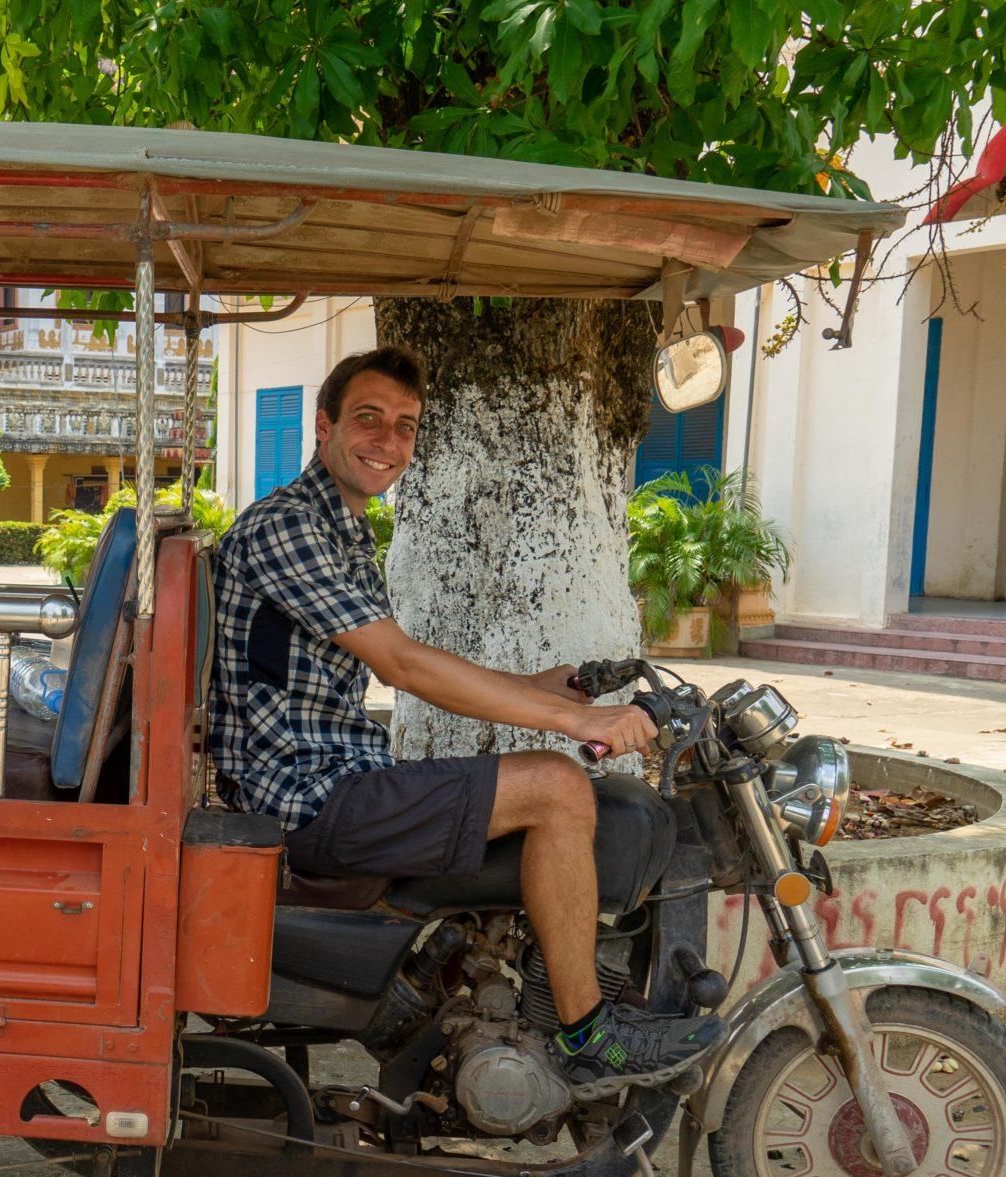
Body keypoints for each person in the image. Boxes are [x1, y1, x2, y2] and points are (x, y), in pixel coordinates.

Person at [209, 345, 721, 1094]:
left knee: (559, 790)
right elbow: (403, 665)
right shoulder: (286, 527)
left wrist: (544, 689)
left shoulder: (342, 527)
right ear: (323, 426)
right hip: (308, 800)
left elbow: (402, 656)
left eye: (405, 427)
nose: (388, 441)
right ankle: (587, 1037)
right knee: (556, 788)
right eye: (368, 419)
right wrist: (578, 724)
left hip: (341, 777)